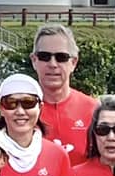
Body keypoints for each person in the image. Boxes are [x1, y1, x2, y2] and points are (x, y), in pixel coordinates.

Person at [29, 24, 100, 162]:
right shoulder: (21, 111)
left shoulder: (94, 110)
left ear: (73, 62)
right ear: (34, 60)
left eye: (61, 57)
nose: (53, 64)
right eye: (45, 56)